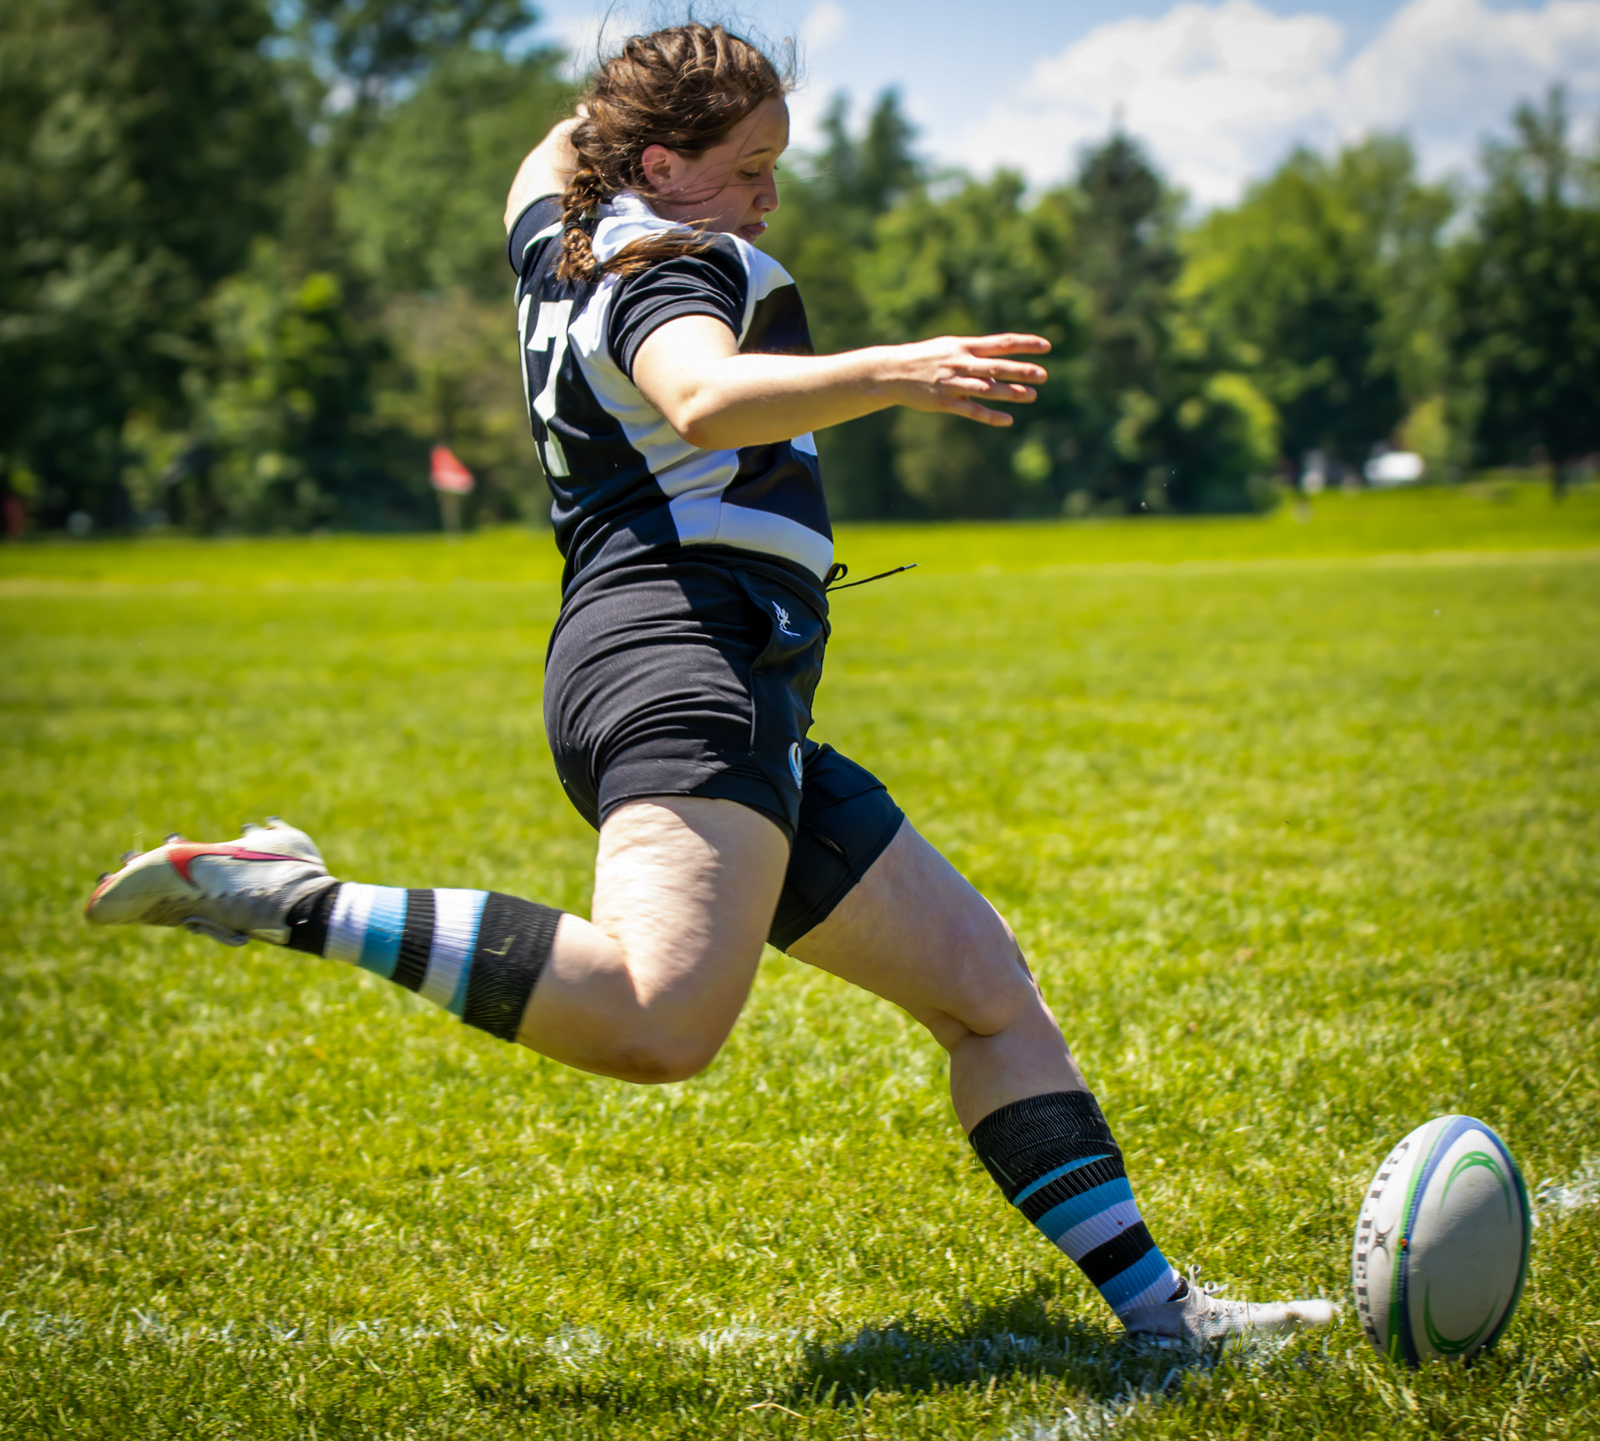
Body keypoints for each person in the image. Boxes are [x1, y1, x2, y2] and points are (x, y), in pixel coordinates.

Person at [86, 22, 1335, 1343]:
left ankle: (1164, 1315)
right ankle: (293, 898)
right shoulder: (671, 263)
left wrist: (634, 103)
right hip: (687, 656)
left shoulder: (562, 242)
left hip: (709, 669)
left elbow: (546, 158)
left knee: (984, 990)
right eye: (749, 166)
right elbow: (703, 397)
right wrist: (896, 369)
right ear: (668, 165)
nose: (767, 198)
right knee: (659, 1017)